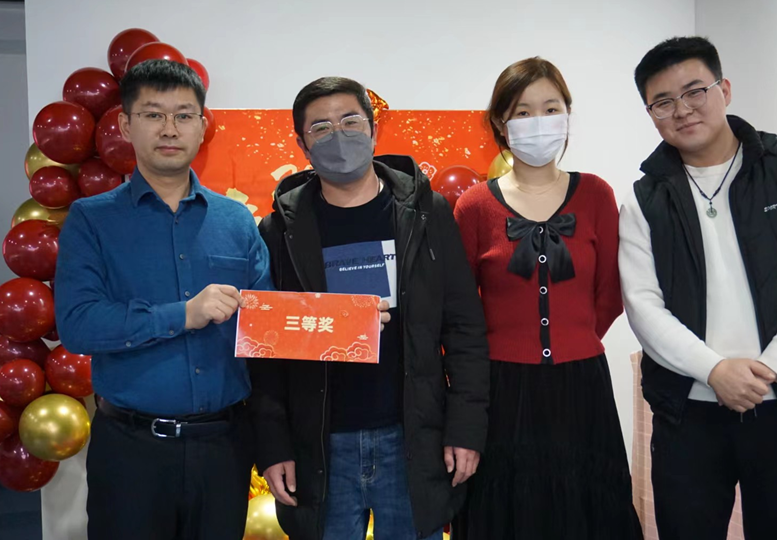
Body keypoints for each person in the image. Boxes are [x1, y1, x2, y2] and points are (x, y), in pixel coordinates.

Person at [251, 76, 490, 540]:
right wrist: (274, 443)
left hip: (412, 437)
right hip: (320, 445)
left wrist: (465, 427)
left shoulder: (427, 214)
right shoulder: (279, 231)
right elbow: (266, 351)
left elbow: (464, 329)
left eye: (350, 121)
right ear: (301, 144)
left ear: (374, 130)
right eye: (321, 128)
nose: (338, 136)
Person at [619, 36, 777, 540]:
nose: (682, 110)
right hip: (686, 415)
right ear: (650, 113)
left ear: (725, 89)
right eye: (663, 101)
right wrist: (714, 370)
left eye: (695, 91)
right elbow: (643, 307)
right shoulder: (643, 200)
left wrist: (771, 367)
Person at [55, 59, 273, 540]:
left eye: (184, 115)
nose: (170, 129)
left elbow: (269, 324)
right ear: (126, 125)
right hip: (131, 450)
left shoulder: (236, 220)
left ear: (201, 126)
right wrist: (183, 315)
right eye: (153, 114)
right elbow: (78, 324)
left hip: (224, 447)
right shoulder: (92, 220)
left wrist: (353, 323)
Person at [453, 57, 642, 539]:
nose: (538, 121)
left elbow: (611, 293)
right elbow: (459, 309)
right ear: (501, 123)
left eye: (551, 108)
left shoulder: (596, 194)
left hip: (581, 387)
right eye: (523, 112)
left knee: (584, 509)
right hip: (501, 390)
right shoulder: (474, 206)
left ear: (567, 115)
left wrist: (573, 337)